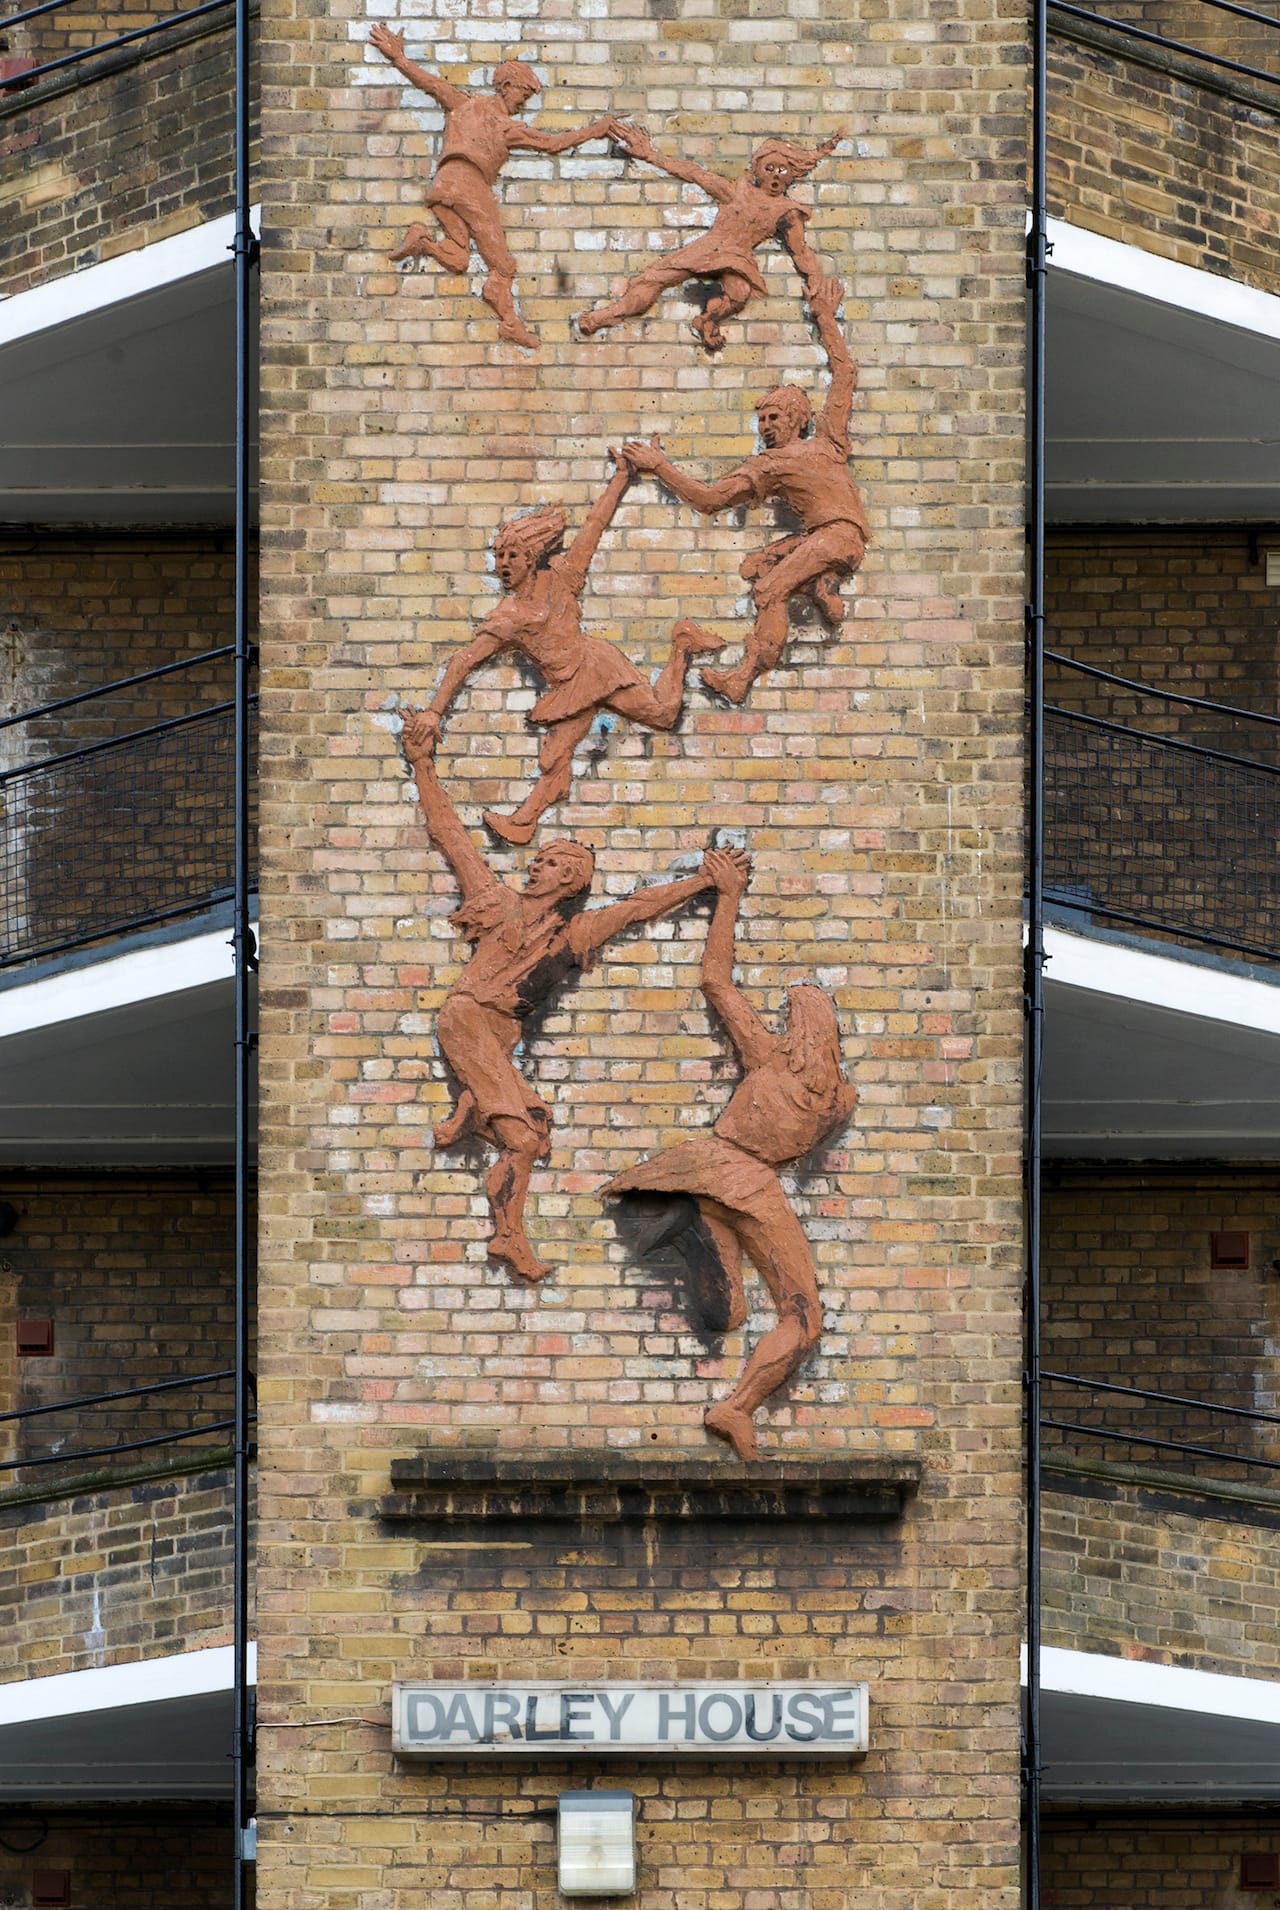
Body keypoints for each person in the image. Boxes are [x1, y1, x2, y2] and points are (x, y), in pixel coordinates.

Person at [401, 706, 716, 1283]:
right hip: (468, 1019)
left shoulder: (573, 934)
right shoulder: (495, 903)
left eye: (547, 865)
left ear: (571, 879)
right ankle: (506, 1231)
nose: (534, 869)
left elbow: (637, 908)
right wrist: (422, 762)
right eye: (536, 861)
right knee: (522, 1140)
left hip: (496, 1038)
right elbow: (450, 835)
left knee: (533, 1133)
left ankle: (473, 1117)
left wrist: (702, 881)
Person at [602, 847, 856, 1460]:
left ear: (794, 1029)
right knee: (804, 1317)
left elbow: (715, 980)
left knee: (734, 1313)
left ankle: (697, 1233)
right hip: (750, 1183)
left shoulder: (771, 1058)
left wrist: (728, 899)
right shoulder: (840, 1100)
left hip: (711, 1169)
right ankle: (736, 1405)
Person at [409, 452, 723, 845]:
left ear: (530, 558)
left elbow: (594, 525)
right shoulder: (507, 616)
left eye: (512, 556)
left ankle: (682, 645)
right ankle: (524, 822)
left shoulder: (562, 577)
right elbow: (464, 660)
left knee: (656, 716)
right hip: (570, 685)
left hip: (596, 666)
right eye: (499, 556)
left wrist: (621, 478)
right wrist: (434, 712)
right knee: (563, 753)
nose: (503, 564)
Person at [619, 277, 869, 704]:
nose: (766, 427)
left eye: (774, 418)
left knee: (769, 590)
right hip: (833, 540)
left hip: (837, 536)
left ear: (799, 419)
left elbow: (844, 374)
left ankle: (742, 678)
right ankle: (821, 584)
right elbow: (711, 499)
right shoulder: (771, 464)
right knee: (759, 565)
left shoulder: (826, 440)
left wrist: (825, 316)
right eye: (762, 421)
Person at [369, 27, 625, 348]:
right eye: (523, 95)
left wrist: (398, 58)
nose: (523, 103)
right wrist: (596, 130)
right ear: (506, 87)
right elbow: (553, 144)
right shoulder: (505, 128)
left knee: (459, 258)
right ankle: (510, 325)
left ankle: (422, 241)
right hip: (470, 187)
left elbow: (431, 83)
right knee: (503, 265)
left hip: (442, 187)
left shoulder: (463, 103)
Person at [576, 127, 842, 352]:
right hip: (710, 247)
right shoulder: (737, 192)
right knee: (655, 279)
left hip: (737, 257)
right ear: (757, 169)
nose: (775, 175)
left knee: (739, 294)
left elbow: (800, 251)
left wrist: (815, 279)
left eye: (783, 171)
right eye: (769, 168)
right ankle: (607, 315)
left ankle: (709, 320)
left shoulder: (787, 212)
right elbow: (696, 174)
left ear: (792, 175)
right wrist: (651, 155)